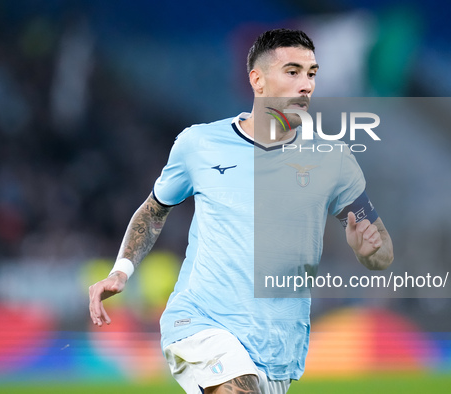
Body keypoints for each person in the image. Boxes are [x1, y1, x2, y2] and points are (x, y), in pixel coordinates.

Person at [89, 28, 393, 394]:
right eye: (292, 71)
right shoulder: (199, 143)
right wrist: (121, 271)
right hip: (200, 321)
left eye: (311, 74)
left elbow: (382, 250)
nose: (306, 85)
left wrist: (370, 251)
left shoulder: (334, 160)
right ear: (258, 80)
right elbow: (154, 210)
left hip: (278, 344)